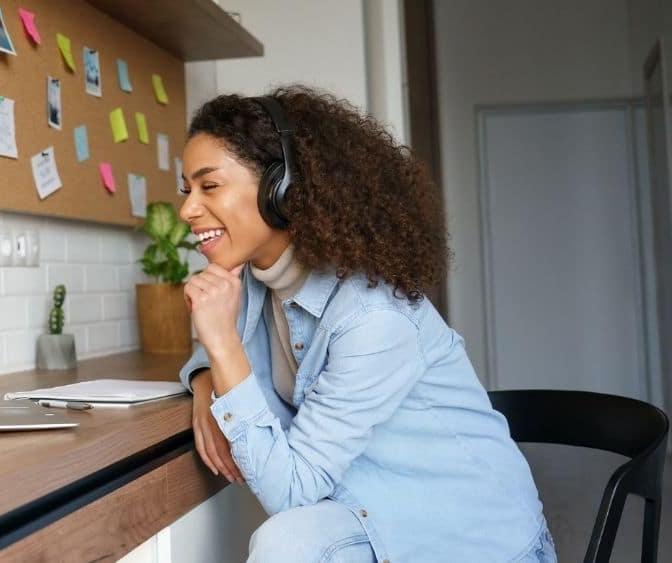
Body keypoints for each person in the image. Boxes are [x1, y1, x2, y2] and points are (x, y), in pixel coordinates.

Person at [177, 85, 556, 562]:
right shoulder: (252, 280)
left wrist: (224, 349)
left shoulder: (374, 317)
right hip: (372, 514)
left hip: (473, 540)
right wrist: (206, 378)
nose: (187, 209)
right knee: (288, 544)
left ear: (282, 187)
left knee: (285, 542)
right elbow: (222, 342)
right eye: (186, 189)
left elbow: (291, 492)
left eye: (209, 186)